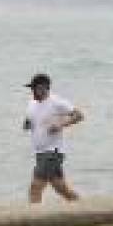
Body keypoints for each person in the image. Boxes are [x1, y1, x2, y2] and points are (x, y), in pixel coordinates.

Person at [22, 72, 85, 204]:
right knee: (61, 188)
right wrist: (27, 124)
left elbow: (79, 115)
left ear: (43, 87)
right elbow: (29, 121)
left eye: (34, 88)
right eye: (31, 88)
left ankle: (34, 219)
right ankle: (83, 207)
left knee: (35, 187)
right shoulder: (31, 103)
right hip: (39, 152)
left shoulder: (57, 102)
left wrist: (61, 124)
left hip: (52, 152)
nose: (32, 91)